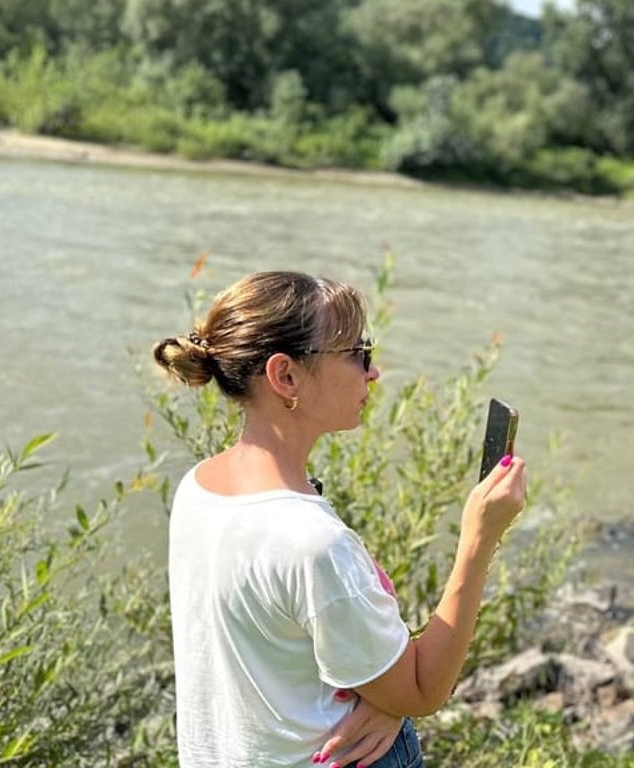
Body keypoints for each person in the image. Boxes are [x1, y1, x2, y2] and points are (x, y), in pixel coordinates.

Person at [152, 271, 527, 768]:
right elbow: (421, 691)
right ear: (285, 377)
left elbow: (285, 655)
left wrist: (383, 694)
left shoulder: (200, 487)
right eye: (359, 353)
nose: (373, 373)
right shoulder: (312, 542)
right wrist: (480, 538)